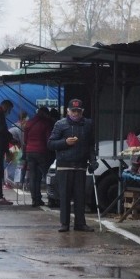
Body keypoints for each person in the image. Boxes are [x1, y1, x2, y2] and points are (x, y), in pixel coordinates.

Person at [48, 99, 95, 232]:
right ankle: (65, 223)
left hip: (80, 165)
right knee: (64, 196)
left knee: (80, 196)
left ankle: (80, 223)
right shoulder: (60, 124)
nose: (75, 113)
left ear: (82, 112)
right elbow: (50, 144)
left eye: (78, 111)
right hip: (64, 165)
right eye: (73, 111)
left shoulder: (88, 124)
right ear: (68, 111)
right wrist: (65, 142)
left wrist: (93, 160)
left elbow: (91, 145)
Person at [23, 107, 54, 207]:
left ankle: (35, 199)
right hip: (41, 151)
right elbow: (48, 139)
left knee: (33, 176)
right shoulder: (46, 123)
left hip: (29, 151)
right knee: (46, 175)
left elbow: (25, 139)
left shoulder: (29, 123)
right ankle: (52, 198)